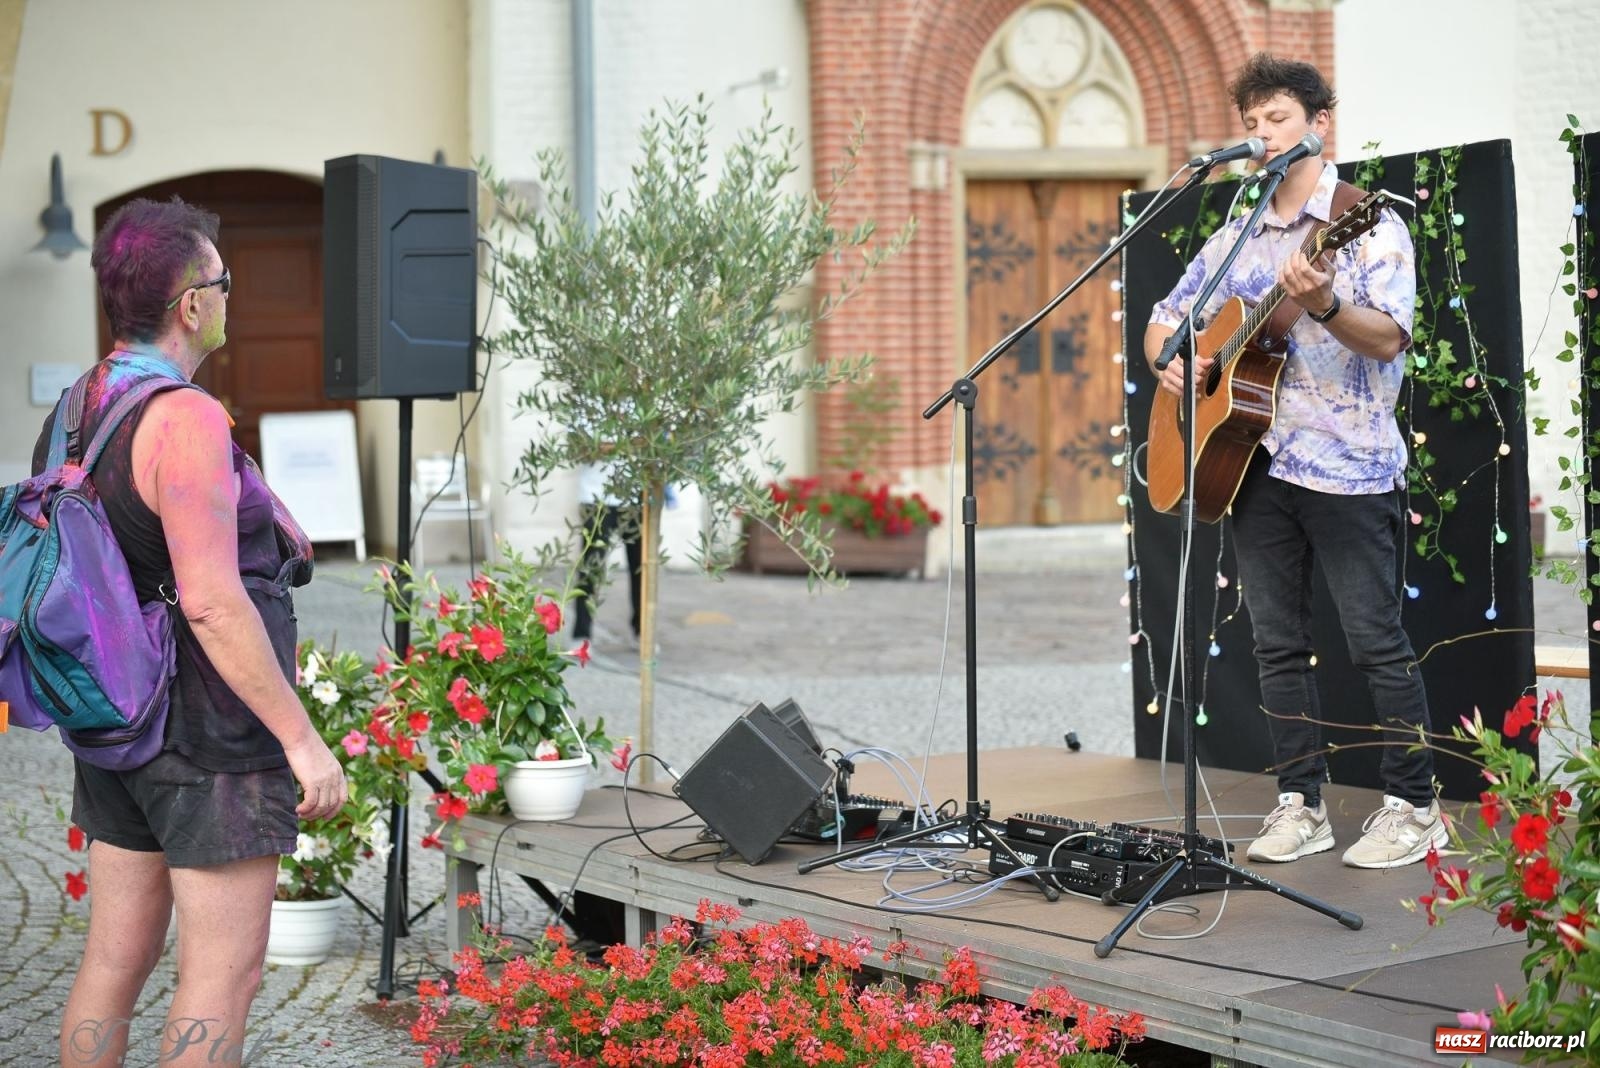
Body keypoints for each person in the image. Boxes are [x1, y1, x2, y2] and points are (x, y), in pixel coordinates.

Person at [43, 198, 346, 1067]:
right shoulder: (185, 418)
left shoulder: (77, 406)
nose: (228, 299)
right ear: (191, 305)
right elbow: (212, 601)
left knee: (111, 961)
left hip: (114, 719)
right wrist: (302, 739)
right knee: (221, 977)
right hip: (210, 738)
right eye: (223, 284)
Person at [1145, 54, 1445, 869]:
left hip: (1347, 465)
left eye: (1275, 119)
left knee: (1375, 639)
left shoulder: (1367, 222)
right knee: (1276, 643)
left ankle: (1415, 806)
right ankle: (1300, 803)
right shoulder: (1241, 226)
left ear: (1318, 124)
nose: (1261, 135)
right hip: (1257, 465)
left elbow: (1389, 337)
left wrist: (1324, 301)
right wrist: (1172, 362)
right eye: (1251, 124)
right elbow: (1168, 317)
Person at [571, 462, 643, 647]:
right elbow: (580, 449)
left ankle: (642, 631)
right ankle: (581, 634)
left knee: (641, 567)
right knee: (590, 567)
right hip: (595, 497)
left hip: (635, 498)